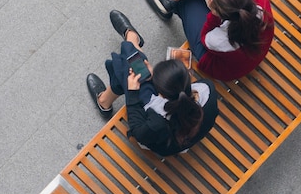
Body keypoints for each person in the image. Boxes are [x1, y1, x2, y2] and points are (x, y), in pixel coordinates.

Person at [86, 10, 218, 156]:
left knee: (126, 69)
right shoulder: (207, 90)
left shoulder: (157, 123)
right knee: (129, 68)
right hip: (189, 133)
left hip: (161, 143)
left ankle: (131, 41)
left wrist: (132, 93)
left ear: (160, 93)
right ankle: (105, 99)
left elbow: (138, 131)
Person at [142, 0, 275, 81]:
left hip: (218, 63)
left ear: (221, 15)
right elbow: (229, 4)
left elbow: (205, 37)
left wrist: (213, 14)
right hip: (250, 46)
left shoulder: (218, 40)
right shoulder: (261, 4)